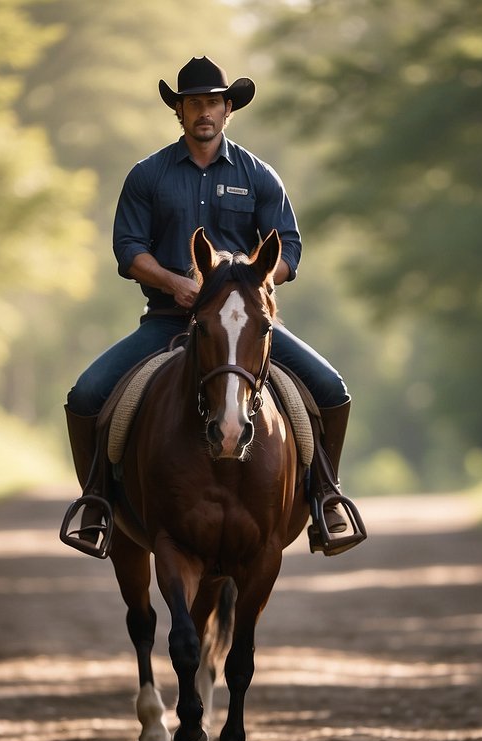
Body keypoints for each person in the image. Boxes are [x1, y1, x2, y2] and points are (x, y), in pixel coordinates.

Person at [61, 56, 363, 558]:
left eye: (213, 103)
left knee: (332, 390)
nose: (204, 111)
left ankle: (324, 497)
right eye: (193, 103)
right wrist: (175, 283)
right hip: (167, 319)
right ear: (179, 111)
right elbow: (128, 249)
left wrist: (255, 286)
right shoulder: (148, 176)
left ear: (228, 110)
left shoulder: (260, 176)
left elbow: (288, 247)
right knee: (86, 395)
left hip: (243, 323)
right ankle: (96, 503)